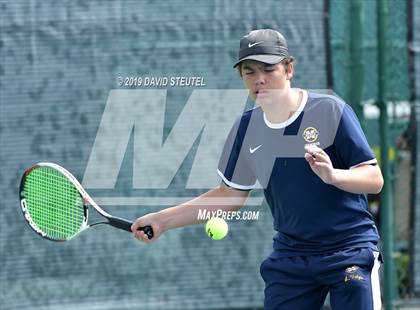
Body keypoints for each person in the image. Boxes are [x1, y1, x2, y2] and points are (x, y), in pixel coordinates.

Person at [131, 29, 384, 310]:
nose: (259, 79)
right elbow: (230, 196)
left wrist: (333, 175)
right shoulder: (246, 128)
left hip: (349, 249)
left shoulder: (330, 111)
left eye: (268, 69)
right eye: (249, 72)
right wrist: (162, 220)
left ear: (289, 69)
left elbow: (374, 179)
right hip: (293, 255)